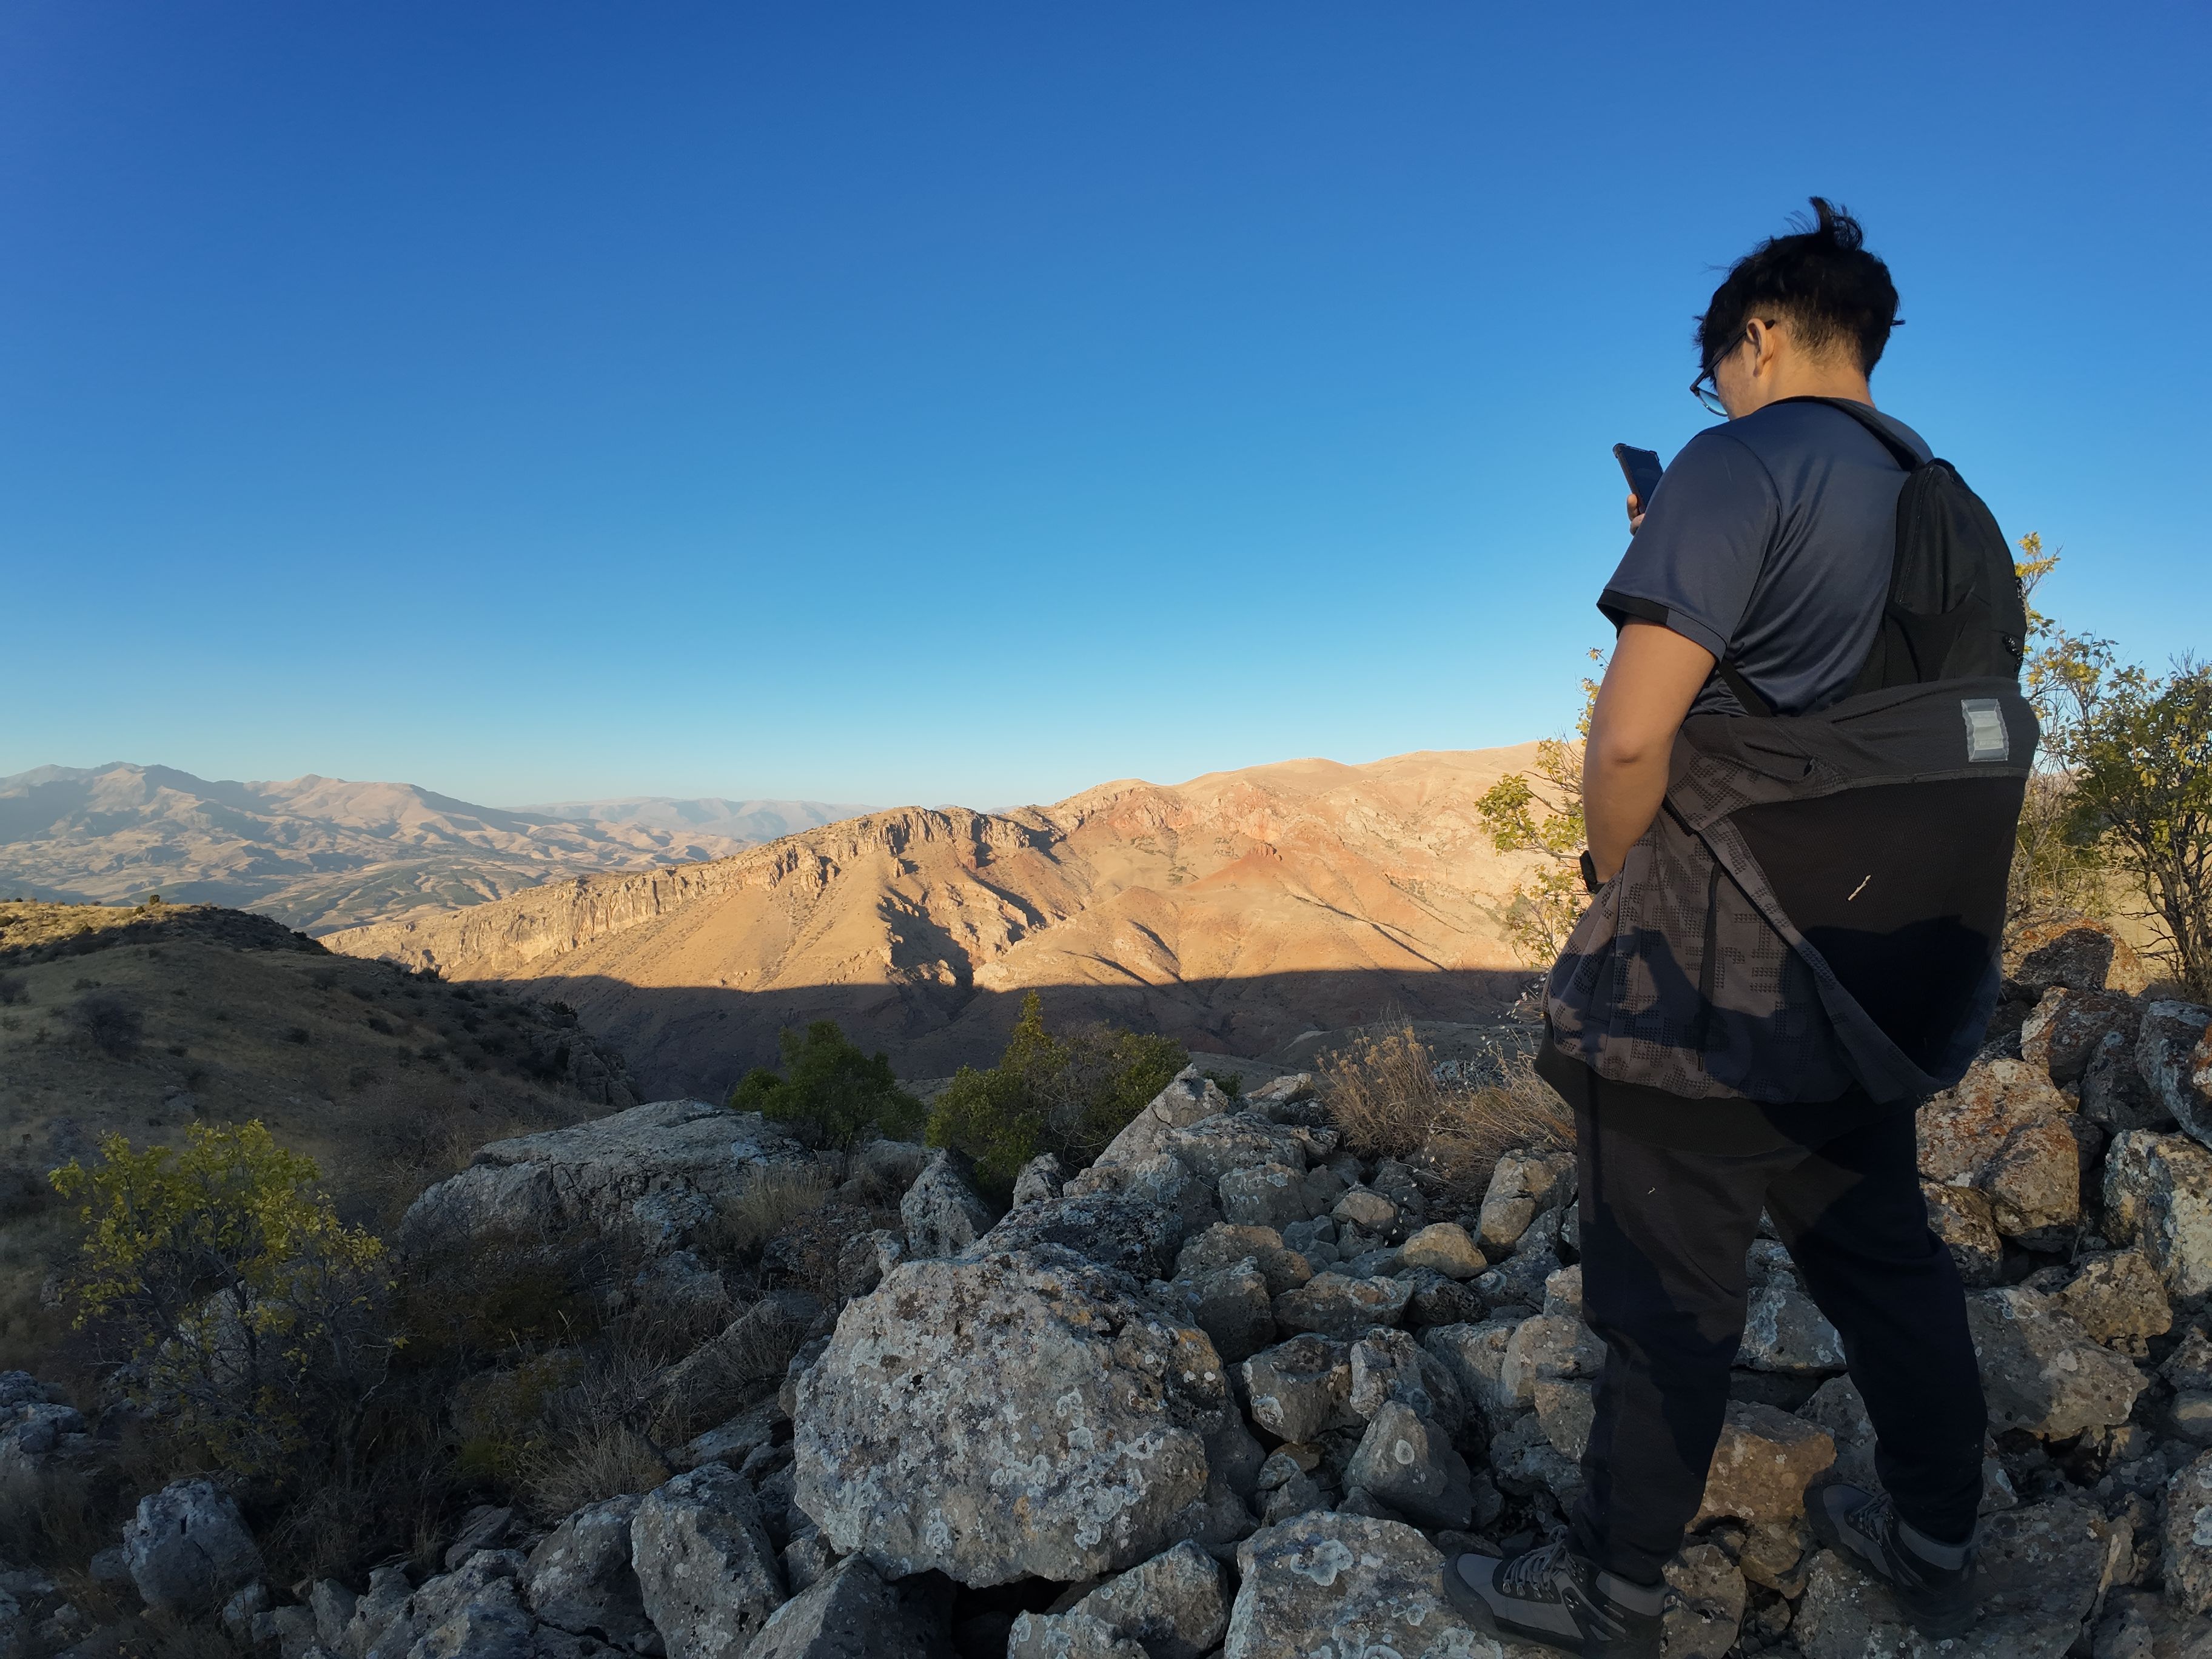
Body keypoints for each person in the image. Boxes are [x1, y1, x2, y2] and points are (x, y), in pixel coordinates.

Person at [1446, 199, 2026, 1657]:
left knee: (1667, 1298)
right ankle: (1938, 1535)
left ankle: (1615, 1589)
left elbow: (1635, 740)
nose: (1715, 397)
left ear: (1758, 338)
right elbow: (1851, 732)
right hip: (1887, 970)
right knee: (1882, 1257)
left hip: (1721, 979)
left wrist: (1609, 883)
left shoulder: (1738, 465)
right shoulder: (1955, 511)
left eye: (1715, 371)